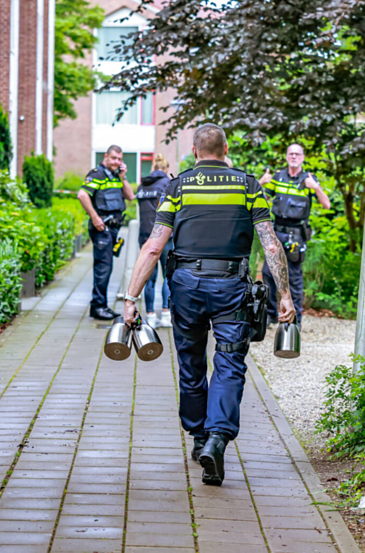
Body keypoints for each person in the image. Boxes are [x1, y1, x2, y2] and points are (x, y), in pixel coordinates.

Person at [123, 124, 295, 487]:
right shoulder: (249, 186)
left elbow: (154, 246)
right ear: (226, 147)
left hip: (185, 287)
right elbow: (271, 243)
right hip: (232, 286)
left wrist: (131, 298)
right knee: (230, 362)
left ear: (194, 149)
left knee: (190, 360)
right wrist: (285, 295)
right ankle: (218, 439)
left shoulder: (178, 186)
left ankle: (200, 436)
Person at [257, 143, 331, 327]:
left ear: (303, 157)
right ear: (286, 156)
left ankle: (295, 318)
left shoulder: (308, 179)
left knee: (294, 278)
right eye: (291, 153)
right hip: (277, 233)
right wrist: (261, 182)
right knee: (268, 273)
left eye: (298, 154)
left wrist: (316, 188)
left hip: (296, 236)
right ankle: (271, 315)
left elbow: (327, 205)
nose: (294, 156)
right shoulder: (277, 177)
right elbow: (259, 199)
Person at [77, 145, 134, 320]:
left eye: (119, 159)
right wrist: (94, 218)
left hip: (113, 228)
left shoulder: (117, 176)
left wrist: (123, 178)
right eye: (114, 158)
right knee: (103, 268)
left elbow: (130, 196)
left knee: (107, 267)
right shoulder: (97, 174)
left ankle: (101, 305)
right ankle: (98, 307)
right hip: (102, 227)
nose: (117, 162)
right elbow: (82, 195)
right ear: (106, 157)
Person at [136, 153, 174, 328]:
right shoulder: (168, 184)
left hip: (145, 236)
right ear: (166, 169)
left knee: (147, 277)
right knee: (168, 275)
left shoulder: (142, 185)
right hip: (165, 237)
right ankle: (166, 314)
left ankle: (150, 315)